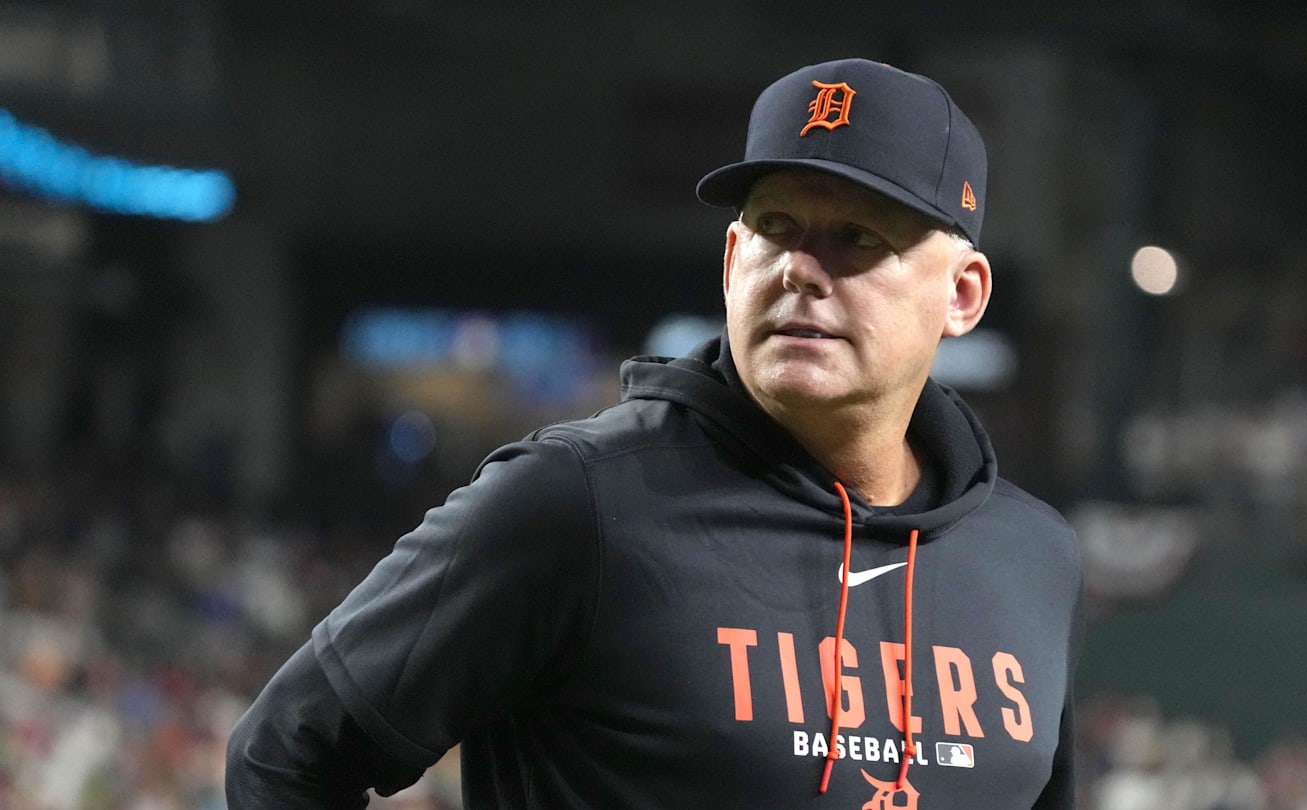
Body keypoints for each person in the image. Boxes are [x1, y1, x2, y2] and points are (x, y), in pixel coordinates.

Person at [226, 57, 1083, 809]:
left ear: (963, 295)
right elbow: (286, 755)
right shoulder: (577, 504)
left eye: (857, 239)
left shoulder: (1032, 556)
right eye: (775, 227)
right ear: (729, 262)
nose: (799, 271)